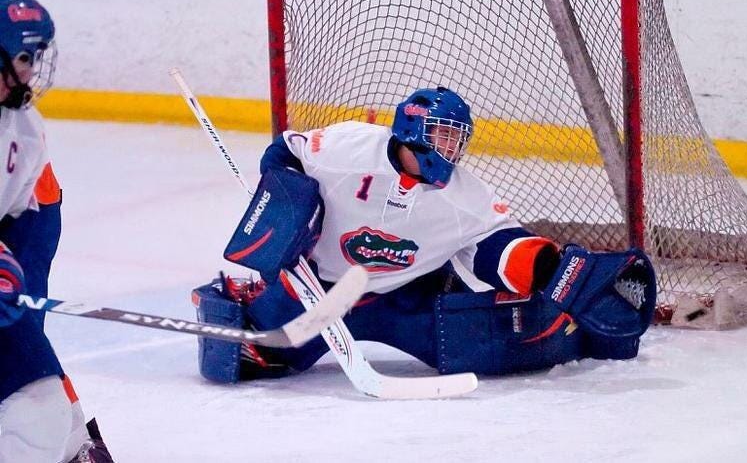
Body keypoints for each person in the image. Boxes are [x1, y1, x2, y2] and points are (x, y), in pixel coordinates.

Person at [195, 86, 657, 382]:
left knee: (497, 348)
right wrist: (289, 211)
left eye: (458, 139)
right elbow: (285, 154)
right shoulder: (348, 148)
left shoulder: (462, 196)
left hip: (403, 295)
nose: (451, 150)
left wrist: (548, 267)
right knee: (248, 359)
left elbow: (496, 247)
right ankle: (248, 296)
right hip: (319, 291)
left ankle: (583, 330)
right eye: (442, 136)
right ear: (412, 131)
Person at [0, 0, 113, 462]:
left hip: (27, 219)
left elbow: (15, 212)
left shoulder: (22, 127)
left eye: (34, 57)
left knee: (23, 357)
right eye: (21, 57)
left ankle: (72, 442)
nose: (29, 71)